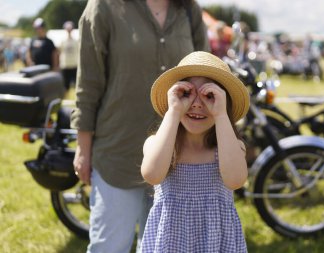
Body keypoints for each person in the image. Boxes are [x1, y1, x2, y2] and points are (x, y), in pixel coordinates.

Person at [70, 0, 209, 252]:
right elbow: (88, 86)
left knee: (162, 247)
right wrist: (83, 148)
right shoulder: (104, 7)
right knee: (109, 247)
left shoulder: (189, 9)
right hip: (118, 153)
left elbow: (208, 75)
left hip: (178, 159)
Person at [140, 51, 249, 252]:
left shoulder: (230, 148)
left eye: (209, 95)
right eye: (187, 94)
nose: (197, 104)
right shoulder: (158, 144)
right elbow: (152, 174)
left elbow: (235, 180)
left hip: (216, 246)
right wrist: (174, 111)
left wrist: (220, 114)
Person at [59, 21, 79, 90]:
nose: (69, 30)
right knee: (65, 86)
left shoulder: (76, 40)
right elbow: (59, 52)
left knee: (77, 85)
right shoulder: (62, 41)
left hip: (74, 65)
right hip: (65, 66)